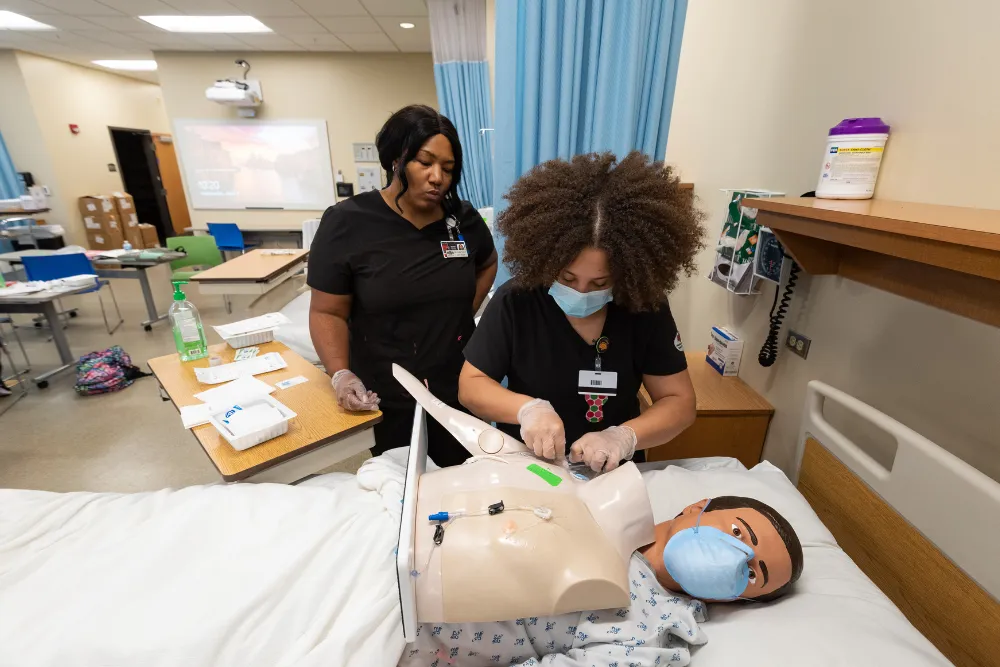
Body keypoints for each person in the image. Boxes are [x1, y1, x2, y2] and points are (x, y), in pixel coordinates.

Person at [459, 152, 705, 472]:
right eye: (567, 278)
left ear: (627, 273)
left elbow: (680, 403)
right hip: (531, 468)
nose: (581, 292)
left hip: (611, 473)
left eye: (600, 282)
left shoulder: (644, 307)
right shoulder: (517, 301)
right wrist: (527, 409)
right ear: (547, 260)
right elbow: (470, 385)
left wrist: (624, 436)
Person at [401, 495, 804, 666]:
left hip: (412, 624)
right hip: (410, 529)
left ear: (734, 600)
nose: (740, 559)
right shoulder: (610, 500)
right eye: (738, 534)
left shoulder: (652, 634)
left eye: (752, 575)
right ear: (698, 506)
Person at [308, 105, 497, 465]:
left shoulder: (463, 220)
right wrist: (341, 374)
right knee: (405, 488)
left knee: (464, 485)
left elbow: (488, 261)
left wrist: (462, 311)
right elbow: (326, 310)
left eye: (448, 168)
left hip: (457, 386)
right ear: (396, 159)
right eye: (425, 163)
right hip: (386, 389)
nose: (437, 177)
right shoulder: (348, 223)